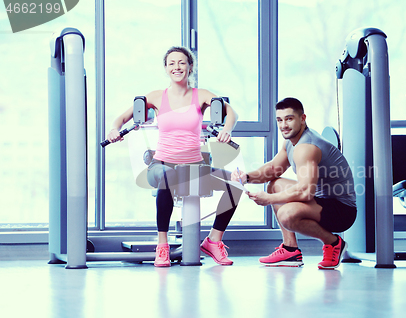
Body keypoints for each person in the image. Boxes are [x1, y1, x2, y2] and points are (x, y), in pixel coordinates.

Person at [107, 46, 242, 267]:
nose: (176, 67)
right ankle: (163, 246)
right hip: (161, 166)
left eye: (181, 63)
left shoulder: (202, 95)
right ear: (166, 68)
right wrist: (114, 130)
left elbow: (232, 113)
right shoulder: (157, 97)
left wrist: (227, 129)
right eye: (171, 63)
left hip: (194, 166)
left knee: (234, 184)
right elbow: (121, 118)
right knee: (169, 176)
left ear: (190, 67)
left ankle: (213, 240)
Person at [232, 97, 356, 269]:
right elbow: (273, 169)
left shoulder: (307, 147)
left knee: (286, 214)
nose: (284, 125)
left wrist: (268, 199)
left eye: (289, 119)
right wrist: (246, 177)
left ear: (302, 119)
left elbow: (306, 192)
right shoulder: (291, 142)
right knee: (274, 184)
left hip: (341, 210)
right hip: (321, 201)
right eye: (280, 120)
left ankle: (333, 243)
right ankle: (290, 250)